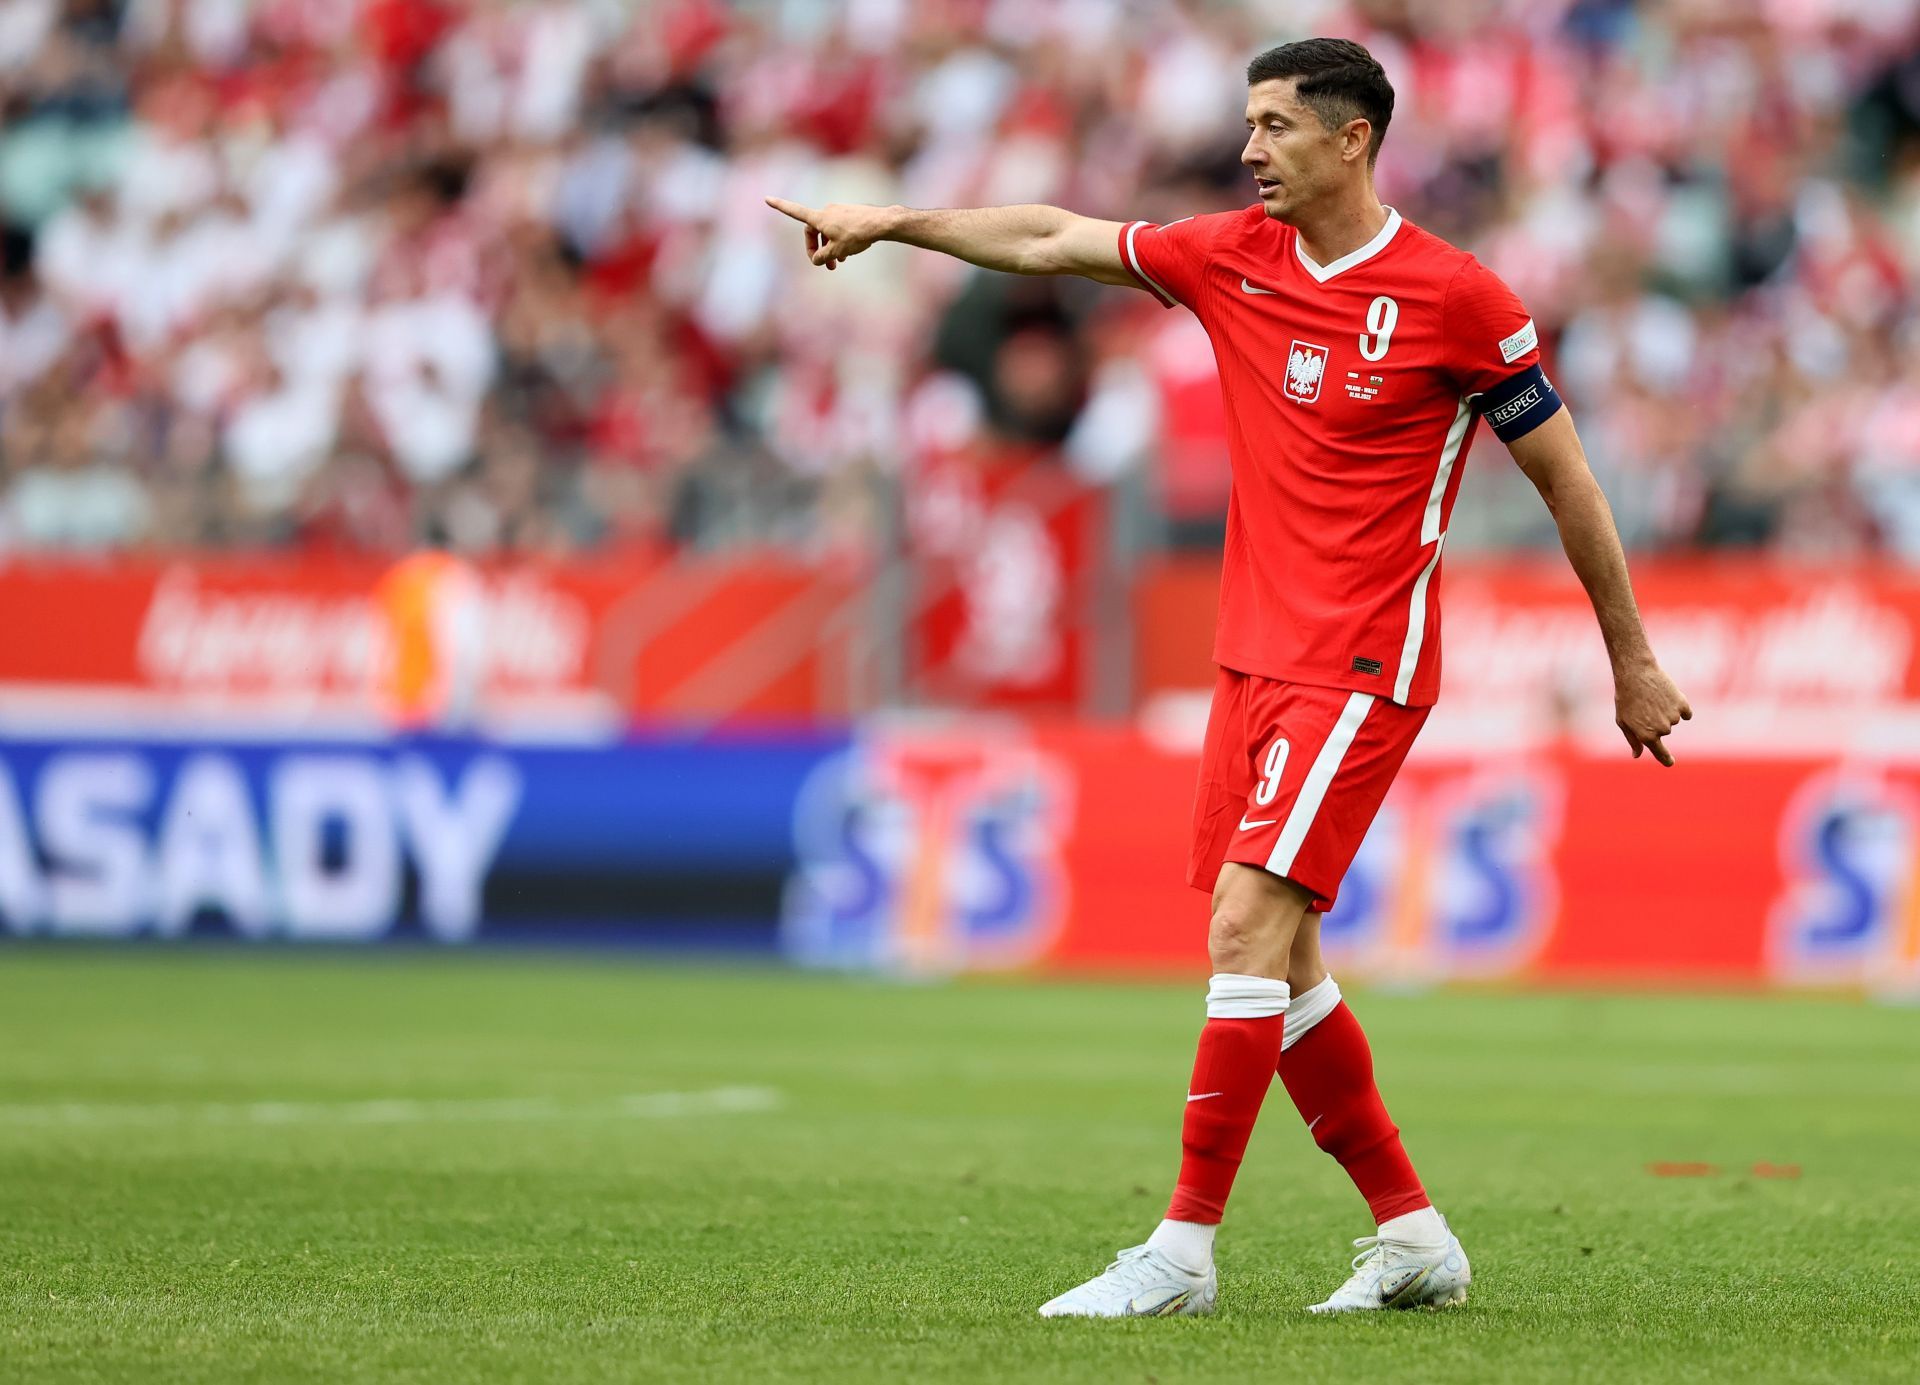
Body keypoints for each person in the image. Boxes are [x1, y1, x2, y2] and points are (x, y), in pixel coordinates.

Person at [768, 37, 1691, 1318]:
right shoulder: (1228, 258)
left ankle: (1182, 1250)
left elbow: (1566, 479)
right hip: (1252, 664)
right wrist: (892, 222)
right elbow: (1050, 238)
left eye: (1273, 125)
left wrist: (1630, 657)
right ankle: (1413, 1233)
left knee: (1243, 930)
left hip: (1363, 667)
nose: (1248, 148)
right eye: (1247, 123)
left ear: (1351, 138)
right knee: (1291, 962)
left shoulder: (1454, 297)